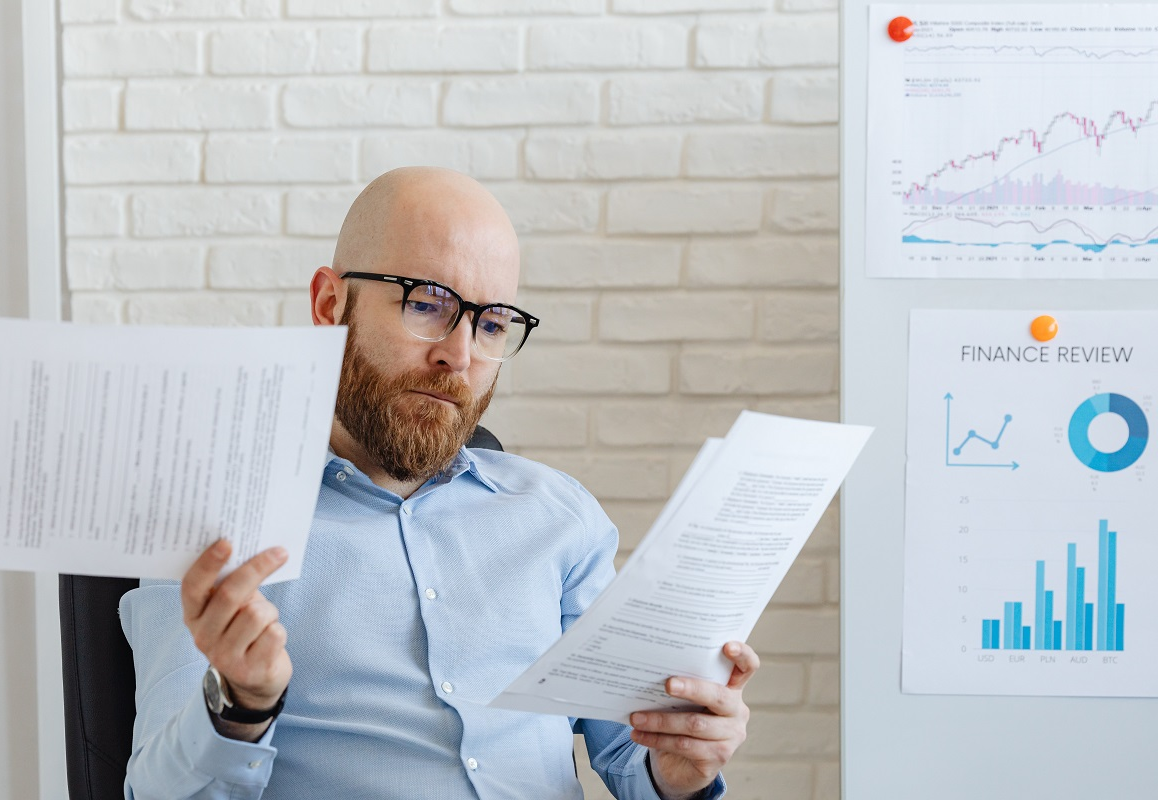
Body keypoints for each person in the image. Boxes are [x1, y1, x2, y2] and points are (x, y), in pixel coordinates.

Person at [121, 167, 758, 800]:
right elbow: (155, 790)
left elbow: (632, 753)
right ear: (328, 305)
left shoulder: (559, 516)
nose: (460, 354)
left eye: (491, 324)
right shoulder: (217, 528)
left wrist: (679, 772)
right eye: (426, 304)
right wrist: (241, 705)